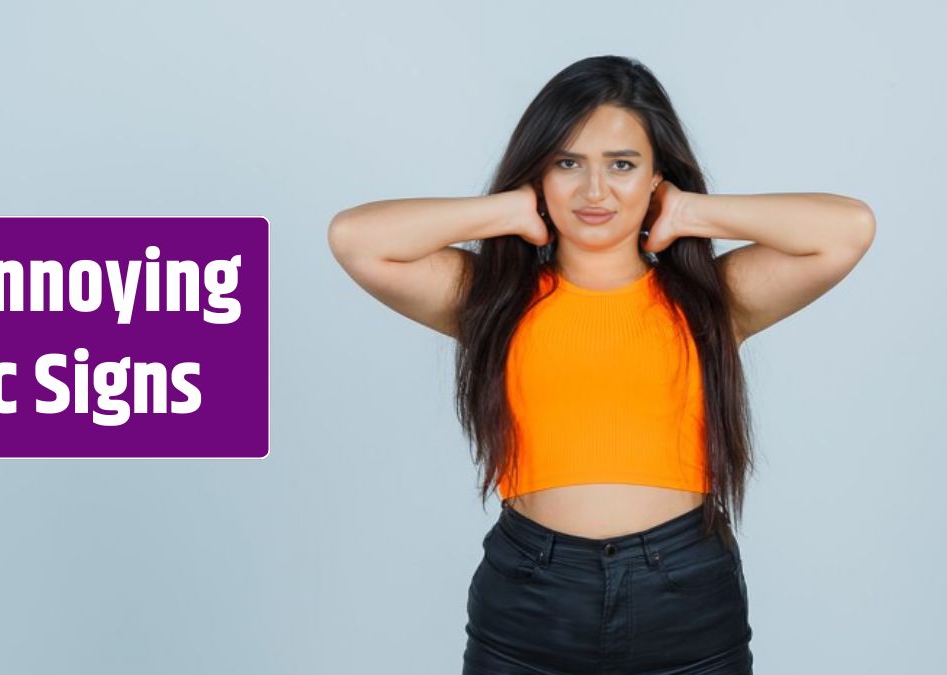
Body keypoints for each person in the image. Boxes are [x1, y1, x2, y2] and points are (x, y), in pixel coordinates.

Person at [327, 55, 875, 674]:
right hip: (532, 597)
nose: (594, 192)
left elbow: (847, 229)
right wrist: (507, 212)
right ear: (539, 175)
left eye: (621, 165)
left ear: (655, 176)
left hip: (687, 596)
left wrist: (691, 212)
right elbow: (355, 238)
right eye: (568, 163)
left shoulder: (713, 302)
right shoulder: (493, 301)